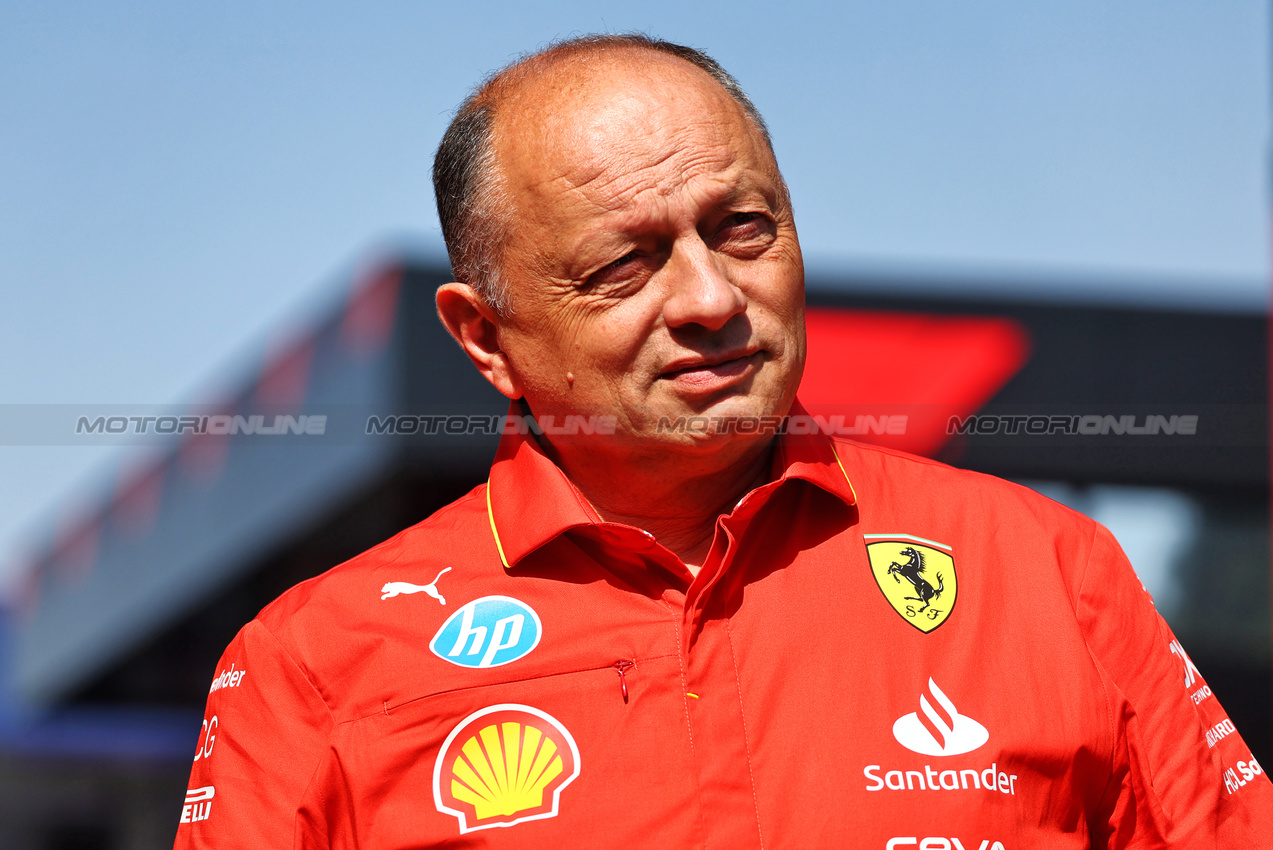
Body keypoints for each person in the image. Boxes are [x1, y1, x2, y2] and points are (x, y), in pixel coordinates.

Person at [174, 34, 1273, 848]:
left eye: (744, 228)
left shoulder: (1043, 574)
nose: (711, 296)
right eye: (623, 265)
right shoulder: (310, 667)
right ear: (485, 335)